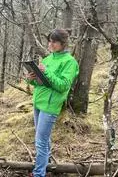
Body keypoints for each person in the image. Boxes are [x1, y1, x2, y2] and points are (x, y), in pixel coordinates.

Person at [25, 29, 79, 177]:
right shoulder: (48, 59)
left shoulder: (70, 62)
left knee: (40, 140)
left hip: (50, 105)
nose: (51, 44)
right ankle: (47, 164)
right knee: (43, 137)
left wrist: (46, 72)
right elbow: (40, 83)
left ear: (63, 43)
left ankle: (39, 173)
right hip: (38, 102)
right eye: (50, 41)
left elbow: (63, 86)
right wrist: (31, 78)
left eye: (54, 41)